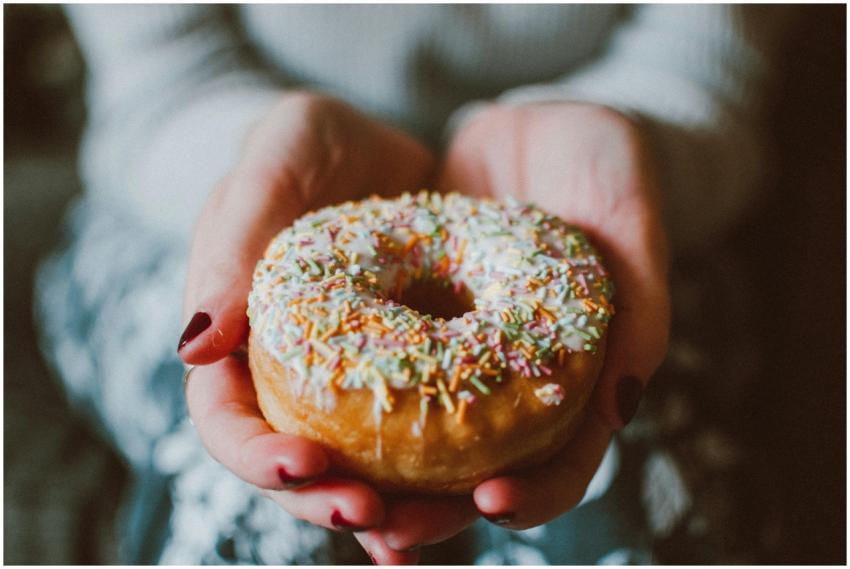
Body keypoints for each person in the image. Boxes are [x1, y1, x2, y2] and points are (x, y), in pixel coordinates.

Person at [37, 5, 788, 564]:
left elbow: (704, 59)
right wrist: (257, 164)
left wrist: (625, 139)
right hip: (214, 191)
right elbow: (163, 80)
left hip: (612, 208)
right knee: (240, 499)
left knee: (639, 483)